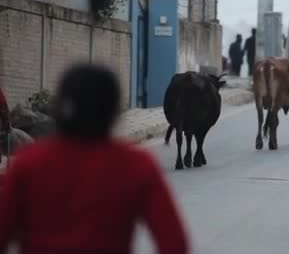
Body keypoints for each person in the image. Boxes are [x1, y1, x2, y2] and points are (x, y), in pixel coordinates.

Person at [0, 64, 189, 253]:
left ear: (59, 108)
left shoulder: (29, 163)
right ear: (113, 112)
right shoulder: (136, 165)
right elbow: (174, 243)